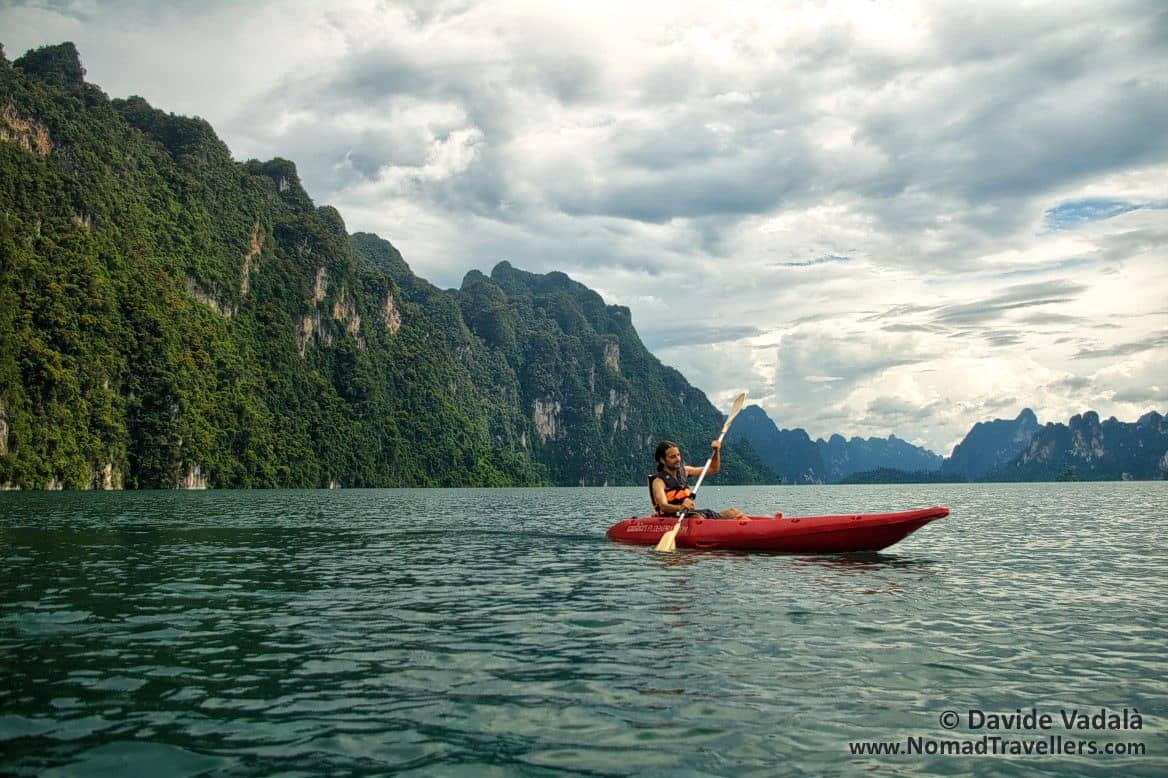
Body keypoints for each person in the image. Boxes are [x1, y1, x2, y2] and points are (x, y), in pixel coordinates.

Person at [649, 439, 745, 519]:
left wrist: (716, 452)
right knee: (697, 518)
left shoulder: (685, 471)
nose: (678, 459)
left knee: (733, 512)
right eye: (672, 457)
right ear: (662, 460)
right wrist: (680, 507)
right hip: (674, 517)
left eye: (678, 455)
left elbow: (713, 469)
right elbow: (663, 506)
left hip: (691, 514)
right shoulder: (659, 481)